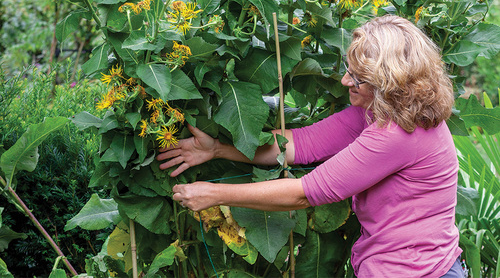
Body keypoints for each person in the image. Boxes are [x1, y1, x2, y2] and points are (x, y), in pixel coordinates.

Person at [156, 15, 464, 277]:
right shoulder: (385, 110)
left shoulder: (396, 134)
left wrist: (214, 194)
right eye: (348, 70)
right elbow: (300, 144)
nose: (345, 82)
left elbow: (305, 193)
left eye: (358, 78)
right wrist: (218, 149)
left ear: (389, 83)